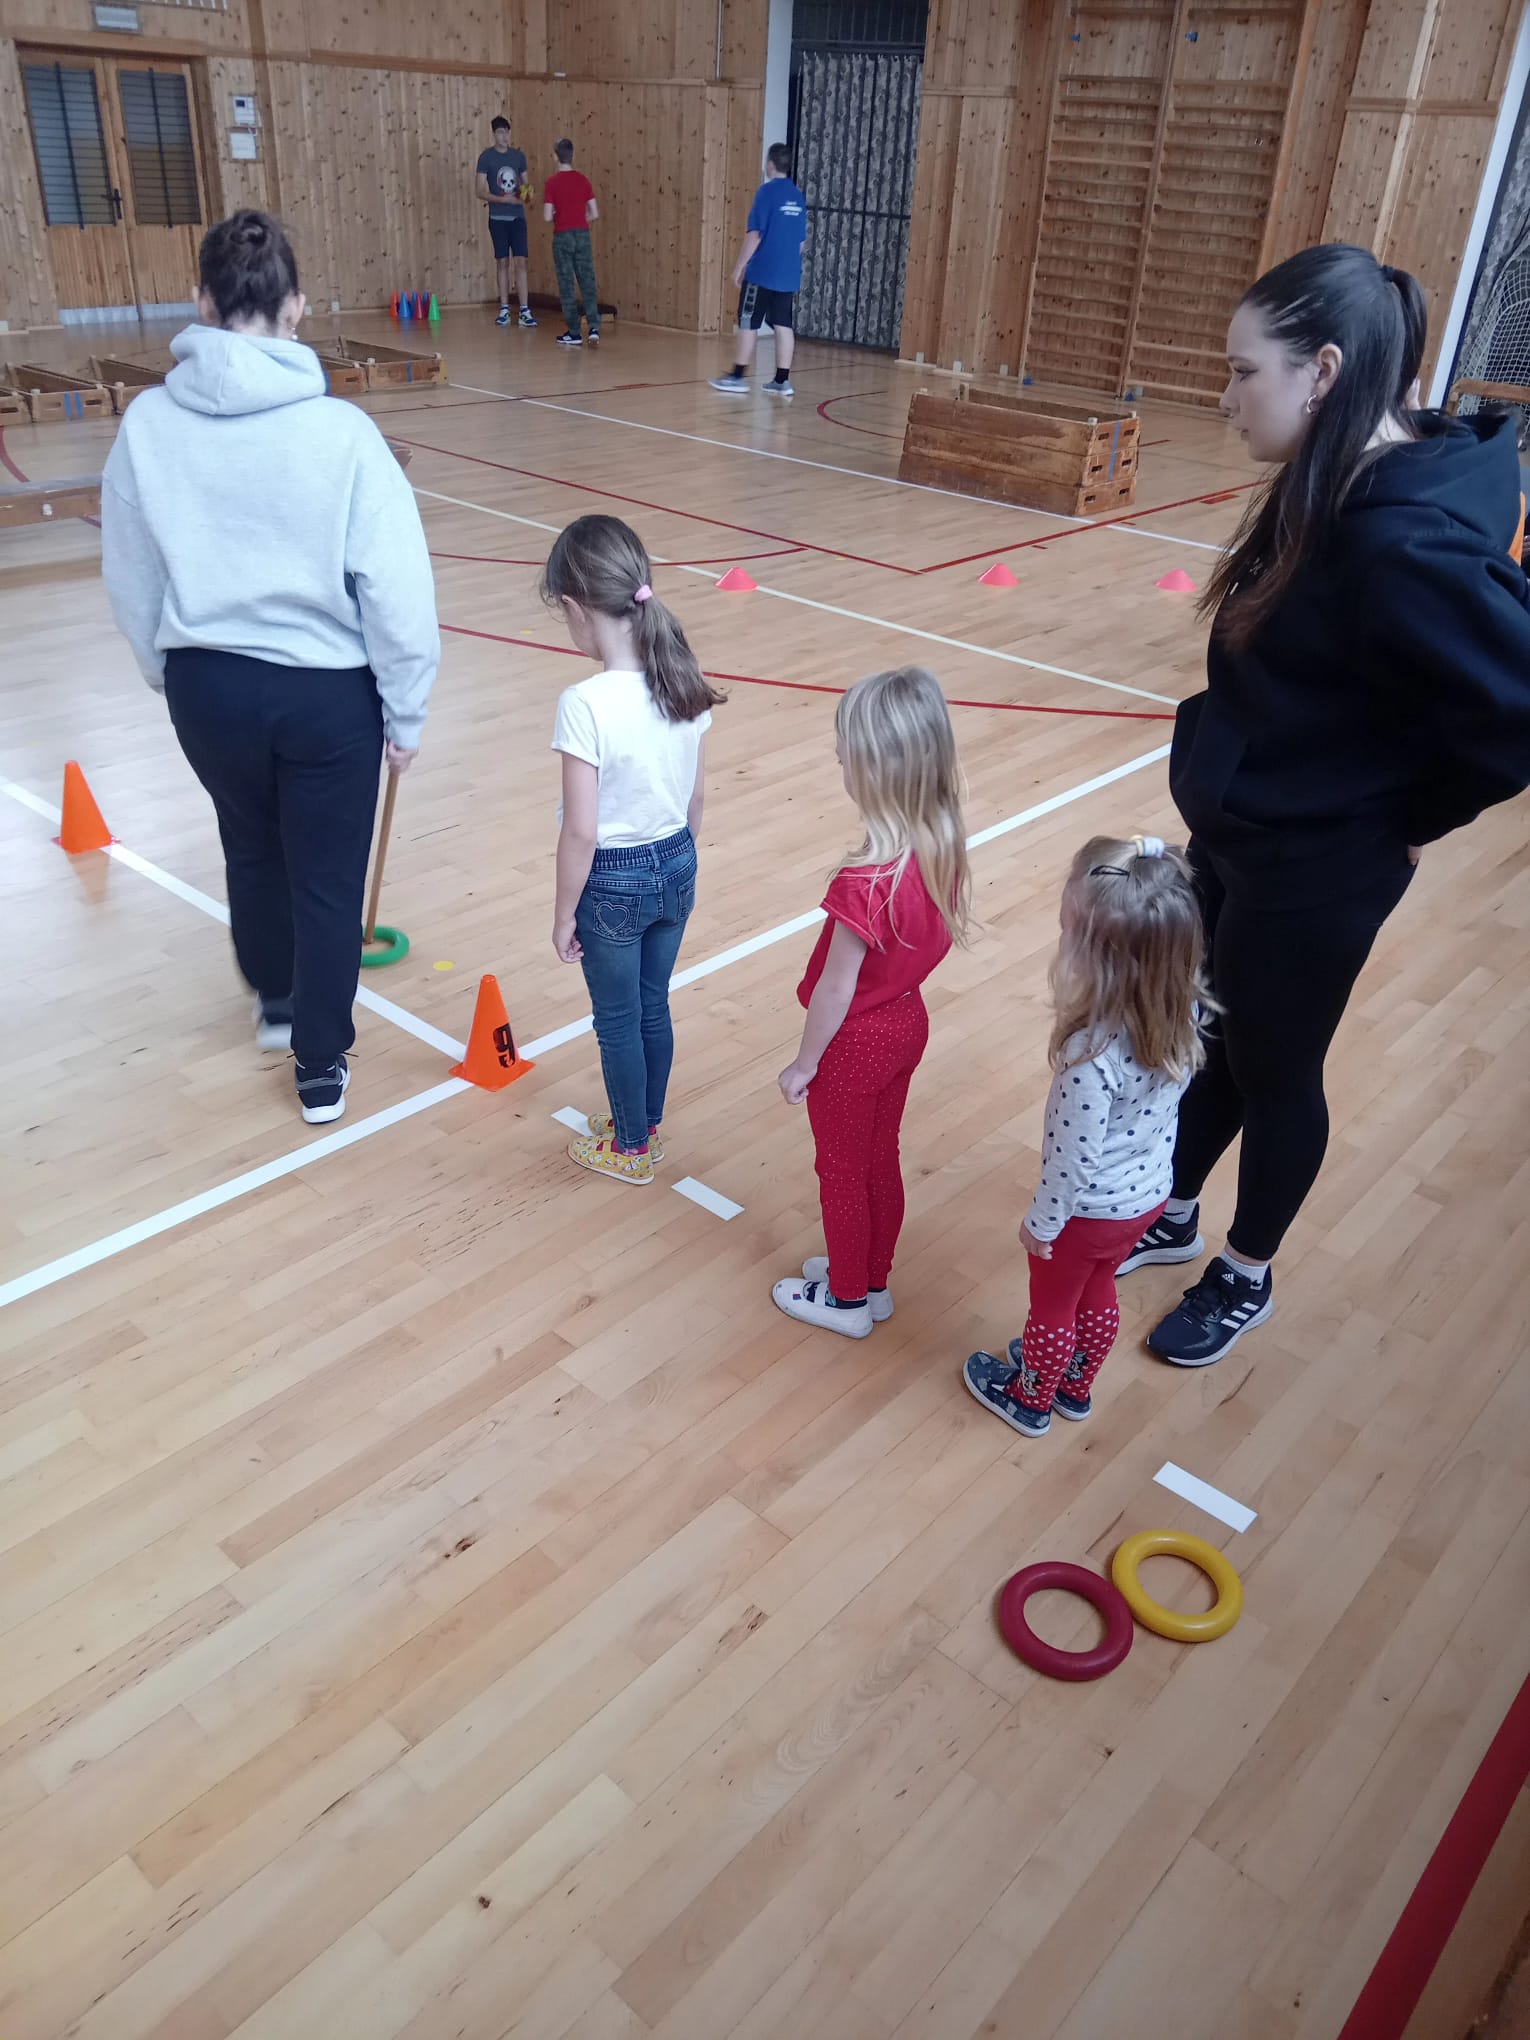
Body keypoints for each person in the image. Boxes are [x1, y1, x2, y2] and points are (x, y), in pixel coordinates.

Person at [1120, 241, 1530, 1366]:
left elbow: (1515, 713)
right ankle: (1173, 1206)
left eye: (1243, 371)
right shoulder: (1334, 480)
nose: (1226, 396)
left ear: (1324, 371)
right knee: (1214, 1028)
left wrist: (1412, 818)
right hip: (1247, 830)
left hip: (1321, 863)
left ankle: (1244, 1270)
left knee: (1274, 1067)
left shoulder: (1403, 542)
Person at [100, 210, 439, 1125]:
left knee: (249, 839)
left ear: (204, 303)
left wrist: (164, 671)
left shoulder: (147, 422)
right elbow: (397, 590)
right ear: (296, 307)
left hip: (206, 687)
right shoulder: (344, 433)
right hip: (325, 696)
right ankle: (319, 1065)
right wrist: (406, 709)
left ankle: (278, 1001)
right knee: (326, 877)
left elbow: (130, 572)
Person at [964, 836, 1207, 1437]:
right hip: (1145, 1199)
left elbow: (1072, 1164)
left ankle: (1031, 1397)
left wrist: (1042, 1225)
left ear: (1099, 961)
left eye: (1069, 931)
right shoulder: (1182, 1016)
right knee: (1098, 1289)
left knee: (1052, 1305)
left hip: (1086, 1213)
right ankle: (1074, 1386)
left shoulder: (1090, 1057)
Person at [771, 667, 970, 1337]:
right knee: (880, 1159)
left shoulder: (865, 882)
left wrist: (804, 1064)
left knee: (840, 1172)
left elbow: (835, 990)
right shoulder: (941, 848)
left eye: (844, 755)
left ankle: (847, 1299)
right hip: (907, 1020)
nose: (838, 762)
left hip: (855, 1041)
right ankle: (872, 1280)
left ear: (877, 769)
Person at [545, 515, 724, 1186]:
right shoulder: (680, 675)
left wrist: (564, 913)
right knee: (653, 1004)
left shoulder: (584, 702)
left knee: (617, 1020)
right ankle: (643, 1124)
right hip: (678, 862)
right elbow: (696, 798)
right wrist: (673, 864)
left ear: (575, 608)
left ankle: (629, 1149)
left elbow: (581, 831)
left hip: (613, 882)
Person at [709, 143, 807, 400]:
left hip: (763, 271)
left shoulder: (766, 193)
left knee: (748, 321)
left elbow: (755, 234)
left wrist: (739, 266)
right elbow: (801, 242)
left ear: (770, 164)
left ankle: (738, 376)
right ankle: (782, 381)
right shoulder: (797, 196)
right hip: (788, 274)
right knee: (783, 323)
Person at [475, 115, 535, 329]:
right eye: (500, 132)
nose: (505, 136)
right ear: (494, 134)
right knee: (502, 261)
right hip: (497, 218)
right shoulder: (486, 157)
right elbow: (479, 190)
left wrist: (525, 196)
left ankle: (525, 310)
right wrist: (501, 199)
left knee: (521, 261)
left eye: (507, 132)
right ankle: (504, 308)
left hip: (517, 217)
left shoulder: (518, 157)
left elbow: (527, 185)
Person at [543, 138, 601, 349]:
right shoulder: (583, 180)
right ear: (573, 155)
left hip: (563, 236)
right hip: (582, 235)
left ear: (555, 156)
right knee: (587, 280)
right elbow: (594, 213)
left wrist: (560, 215)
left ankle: (574, 332)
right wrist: (579, 217)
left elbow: (547, 216)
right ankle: (594, 327)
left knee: (567, 284)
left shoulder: (552, 183)